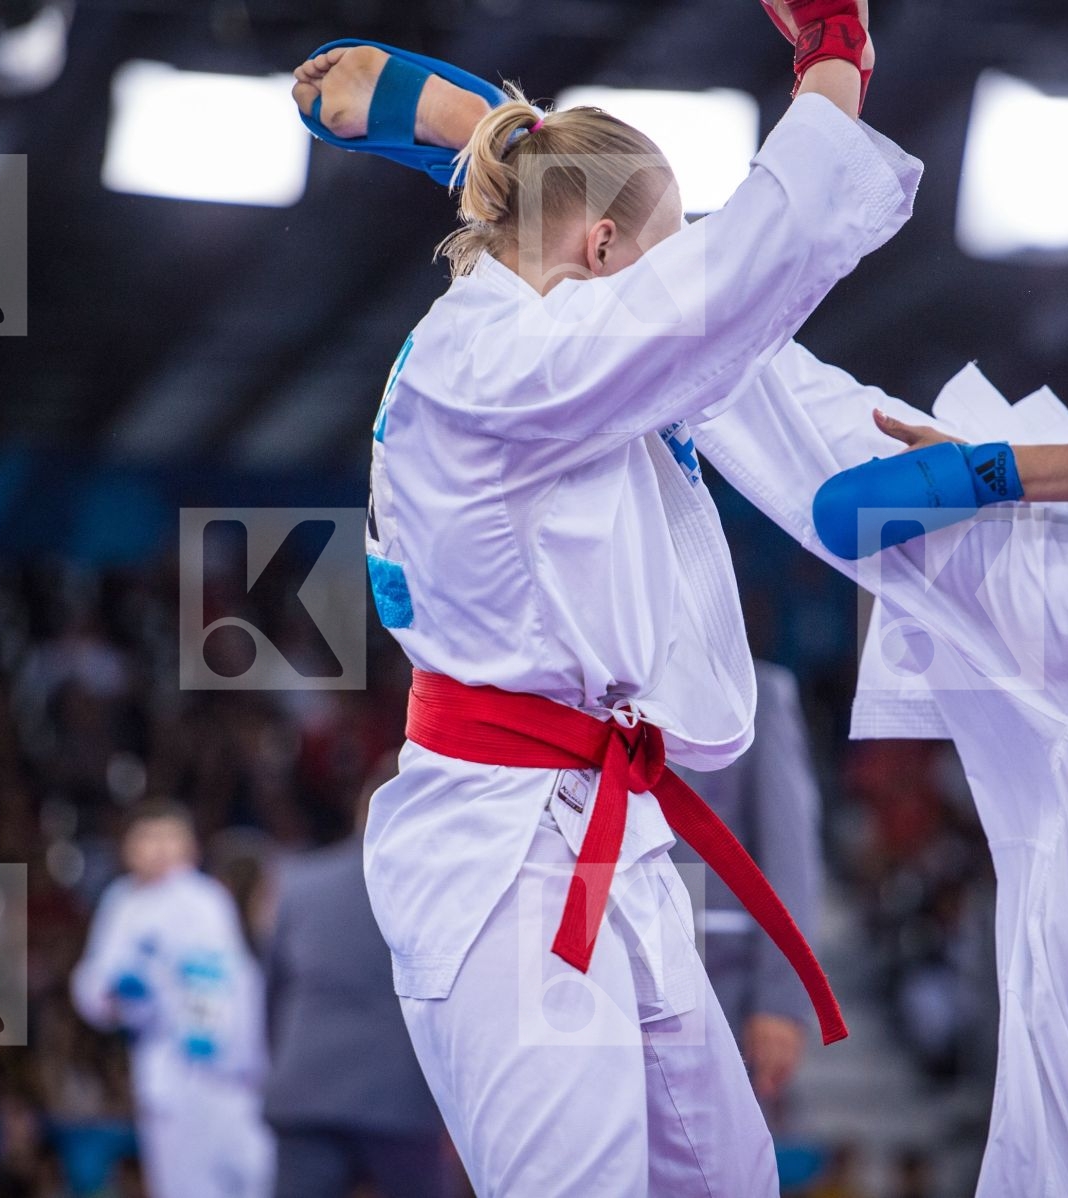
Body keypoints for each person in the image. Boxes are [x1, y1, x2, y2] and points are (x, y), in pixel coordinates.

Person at [291, 5, 921, 1191]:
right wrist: (834, 56)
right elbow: (723, 288)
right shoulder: (500, 364)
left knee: (728, 1176)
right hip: (501, 856)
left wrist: (471, 130)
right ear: (594, 257)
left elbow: (698, 302)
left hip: (597, 834)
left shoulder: (532, 338)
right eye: (661, 245)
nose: (675, 269)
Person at [262, 762, 450, 1198]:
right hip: (402, 1099)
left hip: (307, 1087)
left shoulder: (299, 882)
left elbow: (272, 996)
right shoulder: (437, 892)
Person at [71, 799, 274, 1198]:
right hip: (170, 1073)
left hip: (237, 1074)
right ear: (128, 849)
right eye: (149, 838)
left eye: (170, 837)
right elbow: (92, 984)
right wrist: (115, 993)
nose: (161, 849)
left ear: (191, 847)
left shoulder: (210, 899)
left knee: (257, 1180)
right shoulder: (123, 903)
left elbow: (234, 982)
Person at [671, 660, 823, 1109]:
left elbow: (790, 855)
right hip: (596, 968)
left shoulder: (755, 694)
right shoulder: (582, 685)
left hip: (718, 977)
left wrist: (781, 998)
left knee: (713, 1166)